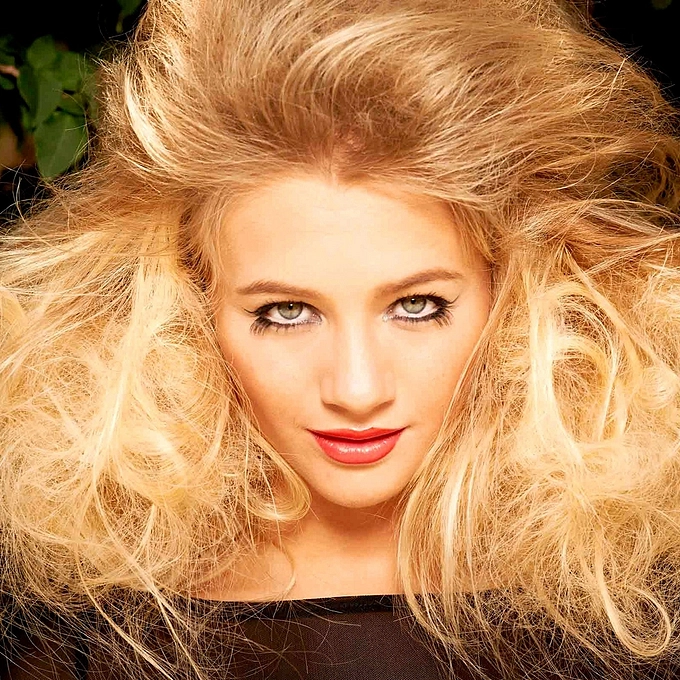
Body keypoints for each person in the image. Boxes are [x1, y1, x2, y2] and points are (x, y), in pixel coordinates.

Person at [2, 0, 680, 677]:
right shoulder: (80, 636)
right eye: (286, 312)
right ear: (186, 303)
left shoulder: (639, 616)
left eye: (417, 306)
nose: (357, 391)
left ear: (512, 291)